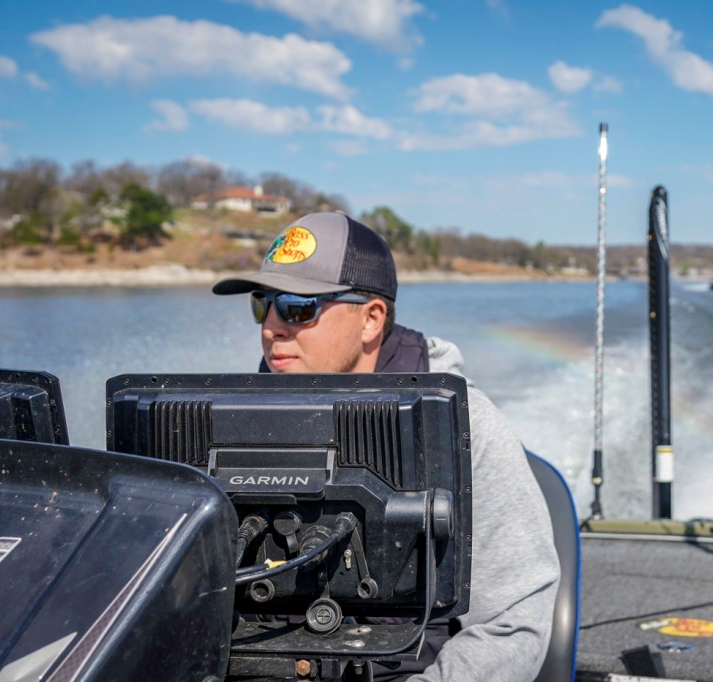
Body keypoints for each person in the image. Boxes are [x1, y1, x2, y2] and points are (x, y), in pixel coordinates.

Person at [212, 212, 561, 681]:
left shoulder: (466, 428)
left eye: (297, 307)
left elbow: (512, 624)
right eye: (263, 305)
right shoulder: (220, 418)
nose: (272, 327)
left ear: (371, 319)